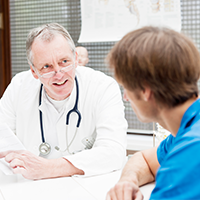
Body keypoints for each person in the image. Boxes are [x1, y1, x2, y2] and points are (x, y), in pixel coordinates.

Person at [0, 23, 127, 180]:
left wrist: (47, 168)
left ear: (76, 59)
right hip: (28, 187)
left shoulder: (102, 87)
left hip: (85, 189)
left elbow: (113, 152)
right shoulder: (19, 87)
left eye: (64, 62)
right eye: (46, 66)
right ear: (34, 71)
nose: (58, 74)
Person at [106, 26, 200, 199]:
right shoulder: (187, 128)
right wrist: (128, 181)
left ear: (145, 90)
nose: (126, 97)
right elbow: (146, 160)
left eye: (125, 87)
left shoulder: (189, 154)